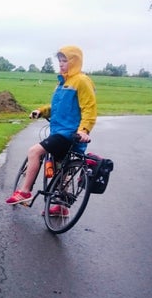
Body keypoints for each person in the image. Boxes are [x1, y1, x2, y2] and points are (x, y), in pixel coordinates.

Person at [5, 45, 97, 215]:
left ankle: (24, 192)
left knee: (34, 152)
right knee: (60, 168)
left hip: (68, 133)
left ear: (75, 61)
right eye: (59, 61)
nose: (61, 64)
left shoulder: (81, 81)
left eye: (65, 61)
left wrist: (84, 130)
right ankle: (61, 207)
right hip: (58, 131)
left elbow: (89, 108)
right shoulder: (63, 83)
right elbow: (56, 107)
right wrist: (41, 111)